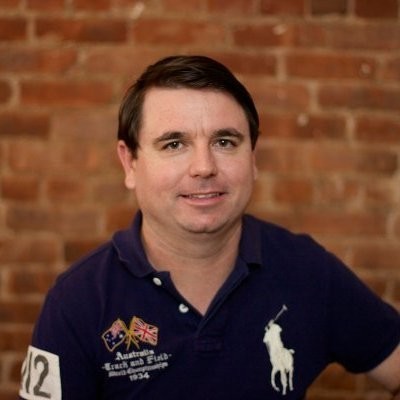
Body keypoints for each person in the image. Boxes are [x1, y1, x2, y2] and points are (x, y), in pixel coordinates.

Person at [19, 55, 399, 400]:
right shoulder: (78, 301)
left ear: (252, 158)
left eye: (225, 142)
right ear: (130, 163)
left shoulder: (308, 271)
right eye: (174, 144)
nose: (204, 167)